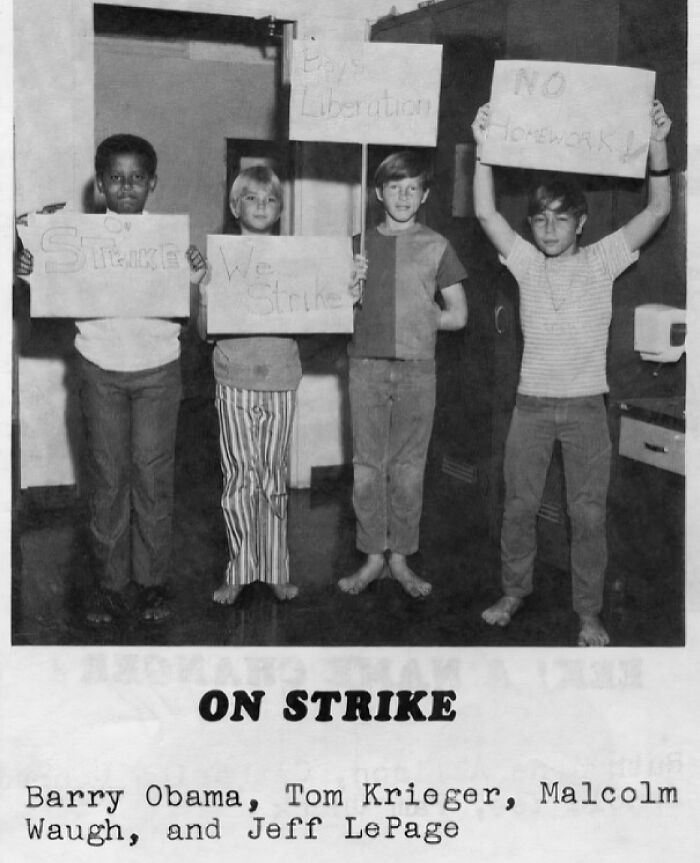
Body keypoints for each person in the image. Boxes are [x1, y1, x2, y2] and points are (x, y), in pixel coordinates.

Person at [471, 99, 672, 646]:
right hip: (531, 408)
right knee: (518, 506)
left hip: (586, 409)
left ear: (580, 222)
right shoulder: (527, 262)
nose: (550, 227)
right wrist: (485, 145)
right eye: (540, 218)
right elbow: (487, 214)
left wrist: (657, 144)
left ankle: (588, 612)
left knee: (587, 517)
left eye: (562, 217)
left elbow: (656, 211)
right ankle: (515, 591)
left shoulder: (603, 258)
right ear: (531, 226)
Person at [16, 134, 183, 625]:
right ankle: (111, 585)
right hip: (98, 370)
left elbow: (201, 302)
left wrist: (199, 272)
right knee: (108, 480)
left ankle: (153, 584)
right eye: (115, 177)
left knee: (152, 480)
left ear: (152, 183)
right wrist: (29, 271)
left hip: (158, 371)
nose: (126, 186)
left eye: (136, 178)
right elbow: (42, 301)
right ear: (100, 186)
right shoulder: (77, 241)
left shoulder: (170, 239)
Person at [187, 166, 366, 605]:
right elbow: (203, 333)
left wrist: (351, 283)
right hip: (232, 379)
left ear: (280, 210)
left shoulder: (298, 260)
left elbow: (331, 308)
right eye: (251, 198)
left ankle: (274, 570)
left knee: (273, 478)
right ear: (235, 207)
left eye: (270, 200)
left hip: (282, 378)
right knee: (238, 479)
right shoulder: (222, 259)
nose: (261, 206)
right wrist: (205, 294)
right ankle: (240, 569)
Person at [338, 150, 468, 599]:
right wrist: (349, 291)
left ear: (425, 194)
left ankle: (401, 558)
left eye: (413, 187)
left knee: (409, 468)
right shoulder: (357, 245)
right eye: (395, 187)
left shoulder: (437, 245)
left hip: (417, 369)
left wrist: (420, 316)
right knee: (368, 467)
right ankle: (373, 556)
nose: (404, 195)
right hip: (366, 367)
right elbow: (335, 315)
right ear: (378, 193)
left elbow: (459, 315)